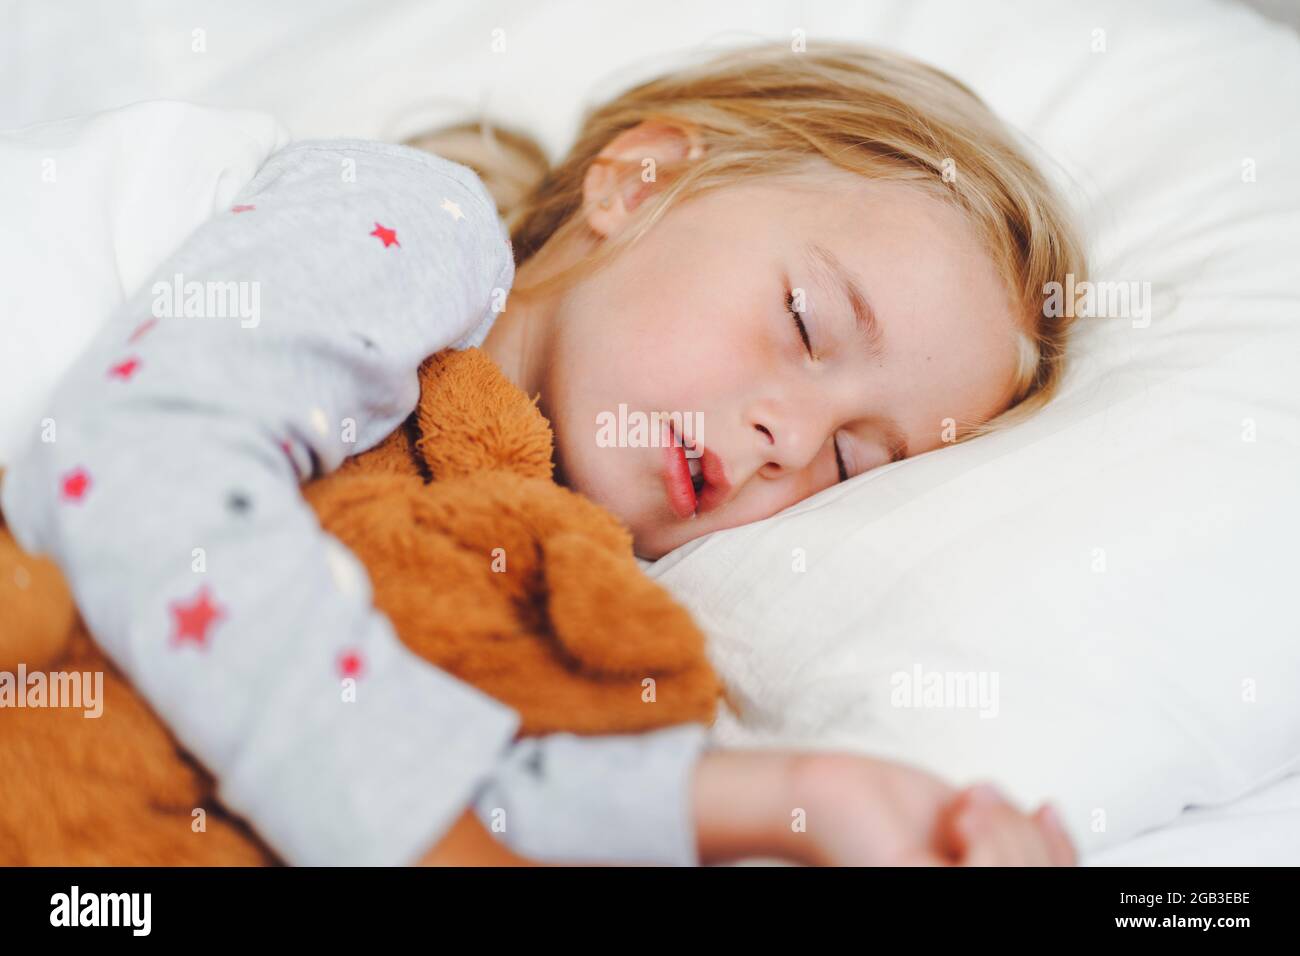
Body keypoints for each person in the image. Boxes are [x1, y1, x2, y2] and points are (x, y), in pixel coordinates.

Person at [1, 42, 1084, 866]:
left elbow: (439, 745)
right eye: (805, 320)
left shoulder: (509, 535)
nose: (788, 441)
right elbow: (138, 465)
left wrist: (805, 793)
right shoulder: (416, 223)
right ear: (640, 182)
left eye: (849, 462)